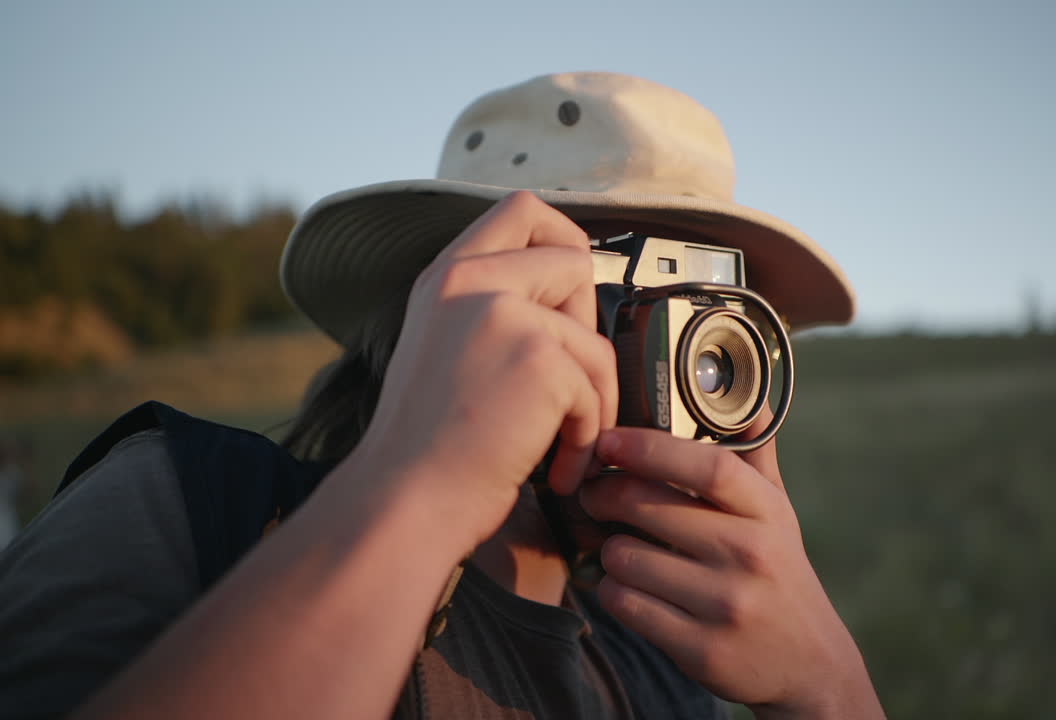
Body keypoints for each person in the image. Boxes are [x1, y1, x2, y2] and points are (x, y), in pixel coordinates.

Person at [0, 72, 884, 719]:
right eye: (616, 290)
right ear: (444, 307)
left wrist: (828, 690)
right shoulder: (181, 507)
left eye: (703, 312)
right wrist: (416, 486)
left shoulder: (660, 655)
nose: (681, 364)